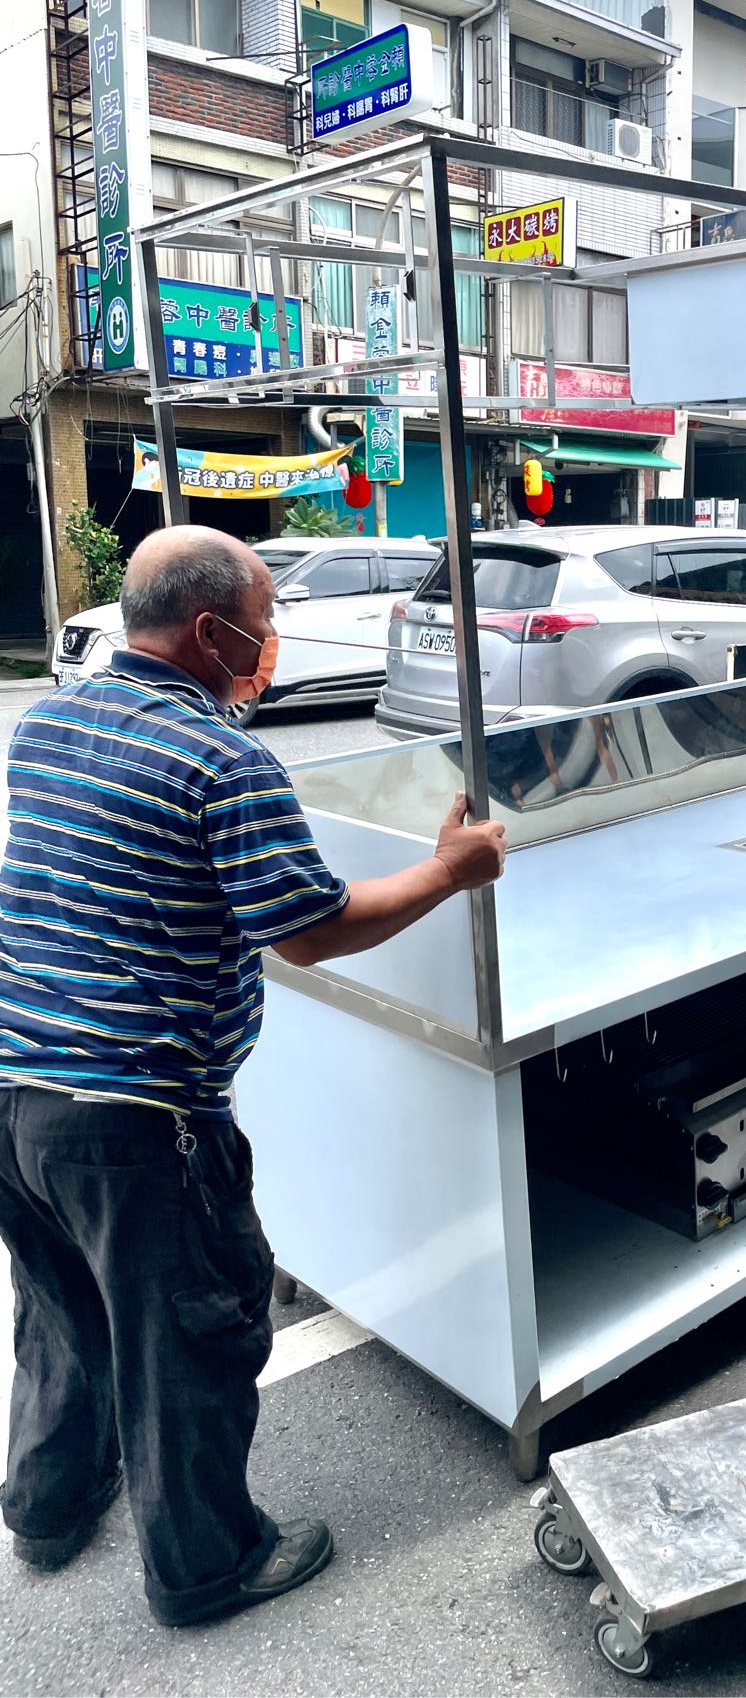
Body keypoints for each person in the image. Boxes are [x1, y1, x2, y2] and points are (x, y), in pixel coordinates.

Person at [0, 526, 506, 1627]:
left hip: (14, 1094)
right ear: (210, 630)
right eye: (265, 622)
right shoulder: (219, 759)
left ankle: (47, 1506)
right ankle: (205, 1566)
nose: (271, 643)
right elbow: (309, 929)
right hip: (132, 1119)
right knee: (188, 1339)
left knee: (61, 1312)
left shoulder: (46, 722)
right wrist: (446, 868)